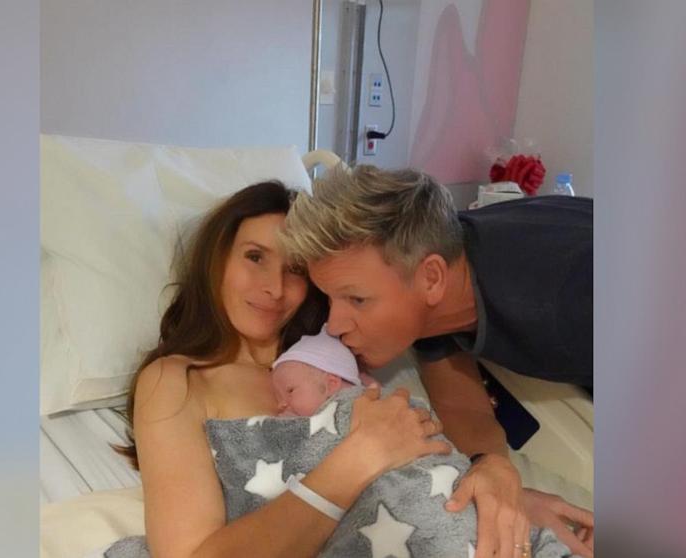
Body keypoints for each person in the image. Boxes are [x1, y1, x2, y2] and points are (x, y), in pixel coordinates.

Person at [116, 181, 485, 558]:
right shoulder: (177, 380)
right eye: (255, 257)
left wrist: (491, 472)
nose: (275, 288)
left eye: (294, 269)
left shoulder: (344, 349)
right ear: (217, 258)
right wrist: (360, 457)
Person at [281, 165, 596, 557]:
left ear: (431, 278)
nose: (334, 325)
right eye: (330, 299)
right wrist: (494, 471)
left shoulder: (568, 297)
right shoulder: (434, 277)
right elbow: (463, 407)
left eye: (356, 299)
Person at [270, 325, 363, 417]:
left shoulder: (357, 412)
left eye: (290, 391)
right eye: (278, 399)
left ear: (332, 384)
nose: (281, 405)